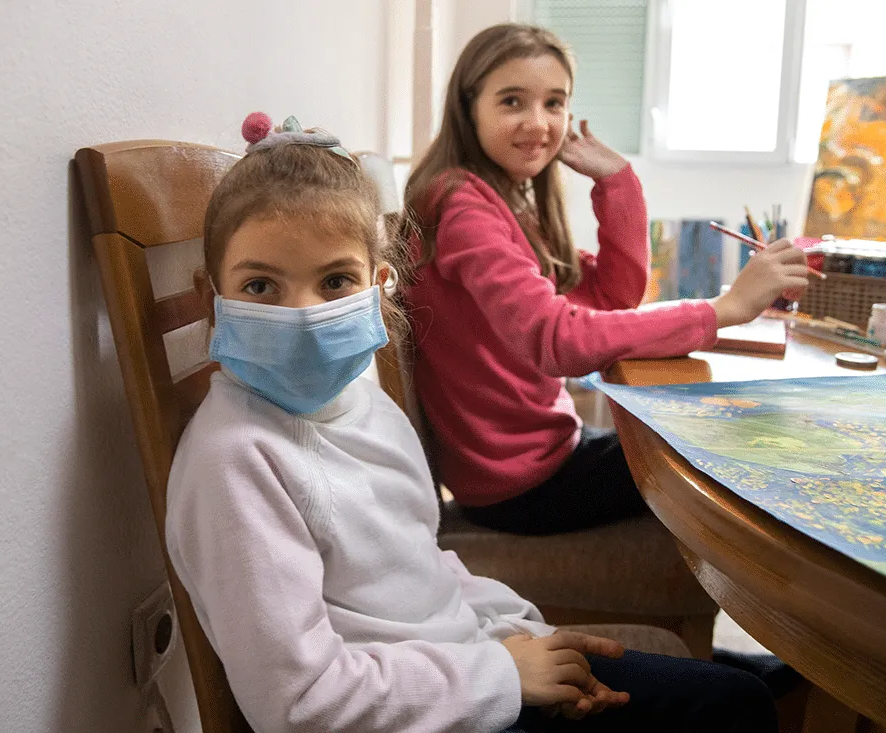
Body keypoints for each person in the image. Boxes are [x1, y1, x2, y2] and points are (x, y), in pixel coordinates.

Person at [164, 113, 778, 733]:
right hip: (421, 706)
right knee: (732, 709)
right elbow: (299, 703)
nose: (302, 315)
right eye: (261, 285)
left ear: (380, 285)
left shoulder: (364, 402)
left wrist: (522, 635)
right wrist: (502, 676)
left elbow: (421, 567)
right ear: (210, 293)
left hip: (465, 670)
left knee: (734, 697)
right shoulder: (235, 460)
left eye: (335, 282)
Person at [403, 23, 809, 536]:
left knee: (718, 430)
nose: (539, 122)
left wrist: (618, 183)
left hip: (539, 455)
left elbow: (610, 298)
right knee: (736, 438)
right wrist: (722, 310)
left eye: (555, 103)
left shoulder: (501, 198)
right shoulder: (462, 206)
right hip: (520, 484)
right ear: (469, 109)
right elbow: (557, 341)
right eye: (512, 102)